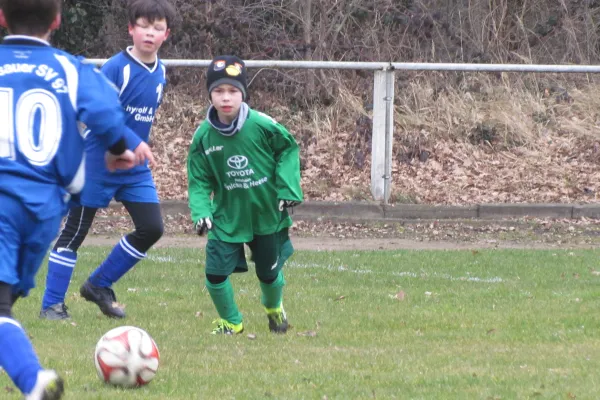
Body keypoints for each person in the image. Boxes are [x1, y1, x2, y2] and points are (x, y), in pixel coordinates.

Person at [0, 0, 150, 397]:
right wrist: (120, 149)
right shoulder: (70, 68)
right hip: (44, 209)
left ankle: (33, 380)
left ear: (1, 18)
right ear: (57, 21)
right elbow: (105, 112)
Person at [39, 0, 176, 320]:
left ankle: (99, 285)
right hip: (97, 161)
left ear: (166, 35)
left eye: (157, 28)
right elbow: (101, 115)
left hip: (134, 168)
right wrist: (131, 142)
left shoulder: (162, 71)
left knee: (152, 228)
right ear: (130, 29)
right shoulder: (117, 67)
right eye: (143, 25)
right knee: (75, 232)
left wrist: (136, 147)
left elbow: (139, 117)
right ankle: (52, 306)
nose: (150, 33)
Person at [187, 55, 303, 335]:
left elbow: (288, 150)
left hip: (266, 213)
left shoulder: (262, 125)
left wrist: (288, 189)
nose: (226, 98)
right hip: (227, 215)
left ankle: (274, 310)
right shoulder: (203, 137)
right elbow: (199, 179)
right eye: (218, 91)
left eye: (233, 91)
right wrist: (201, 211)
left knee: (268, 273)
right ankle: (232, 322)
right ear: (210, 95)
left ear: (243, 94)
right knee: (214, 274)